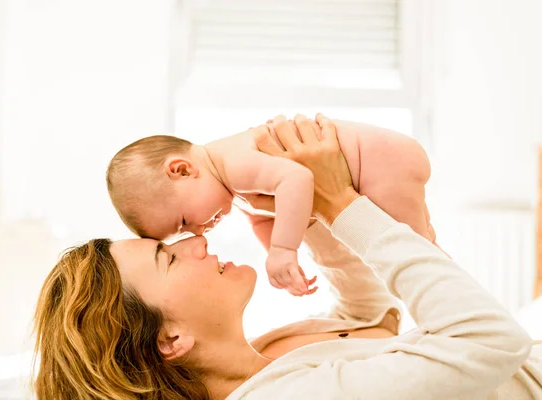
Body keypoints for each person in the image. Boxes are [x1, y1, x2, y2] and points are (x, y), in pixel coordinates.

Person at [33, 116, 541, 400]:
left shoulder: (266, 351)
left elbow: (371, 318)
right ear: (170, 339)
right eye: (168, 257)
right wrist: (342, 202)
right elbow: (492, 340)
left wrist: (314, 213)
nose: (194, 242)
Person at [105, 114, 433, 296]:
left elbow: (297, 179)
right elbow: (264, 219)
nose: (199, 231)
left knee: (414, 253)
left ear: (181, 170)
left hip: (382, 163)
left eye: (185, 222)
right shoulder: (234, 186)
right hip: (384, 164)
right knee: (414, 246)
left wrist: (284, 251)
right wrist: (277, 257)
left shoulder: (232, 163)